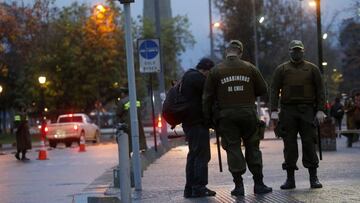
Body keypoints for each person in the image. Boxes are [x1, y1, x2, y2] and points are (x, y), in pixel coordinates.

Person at [203, 40, 272, 196]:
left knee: (233, 148)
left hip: (226, 116)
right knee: (253, 147)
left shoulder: (216, 71)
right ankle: (259, 184)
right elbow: (263, 89)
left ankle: (239, 186)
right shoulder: (250, 68)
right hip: (248, 114)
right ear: (240, 52)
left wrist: (208, 119)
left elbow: (207, 97)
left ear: (227, 52)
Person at [270, 40, 325, 190]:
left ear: (303, 51)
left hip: (307, 110)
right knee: (289, 145)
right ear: (290, 51)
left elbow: (321, 90)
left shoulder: (312, 69)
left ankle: (313, 177)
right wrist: (273, 110)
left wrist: (321, 109)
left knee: (309, 143)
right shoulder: (281, 69)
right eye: (294, 50)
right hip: (288, 111)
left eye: (299, 50)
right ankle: (290, 179)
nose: (297, 53)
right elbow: (274, 90)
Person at [181, 58, 216, 198]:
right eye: (210, 73)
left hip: (189, 123)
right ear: (206, 70)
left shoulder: (188, 76)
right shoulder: (198, 79)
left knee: (193, 155)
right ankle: (199, 187)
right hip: (197, 123)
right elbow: (210, 95)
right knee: (202, 155)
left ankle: (190, 188)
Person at [116, 87, 147, 153]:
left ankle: (129, 156)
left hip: (127, 124)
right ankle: (142, 148)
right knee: (139, 136)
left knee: (128, 141)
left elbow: (118, 113)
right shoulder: (136, 100)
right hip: (137, 123)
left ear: (123, 93)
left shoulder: (122, 102)